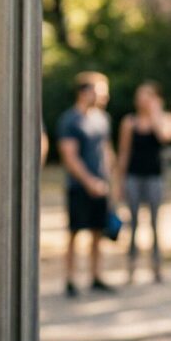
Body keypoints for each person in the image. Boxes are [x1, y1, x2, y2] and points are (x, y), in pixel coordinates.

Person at [57, 71, 116, 297]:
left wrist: (110, 179)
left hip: (101, 186)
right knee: (74, 233)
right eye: (101, 91)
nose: (105, 96)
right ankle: (70, 279)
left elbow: (106, 150)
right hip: (79, 186)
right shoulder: (70, 120)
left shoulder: (102, 119)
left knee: (97, 232)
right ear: (85, 92)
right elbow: (69, 156)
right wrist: (89, 181)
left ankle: (95, 276)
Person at [115, 82, 171, 283]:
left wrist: (155, 113)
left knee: (155, 223)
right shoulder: (129, 122)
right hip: (133, 176)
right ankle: (131, 267)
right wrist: (119, 182)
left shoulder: (165, 119)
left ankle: (157, 267)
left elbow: (165, 137)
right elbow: (124, 153)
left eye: (146, 96)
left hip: (154, 177)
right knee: (132, 223)